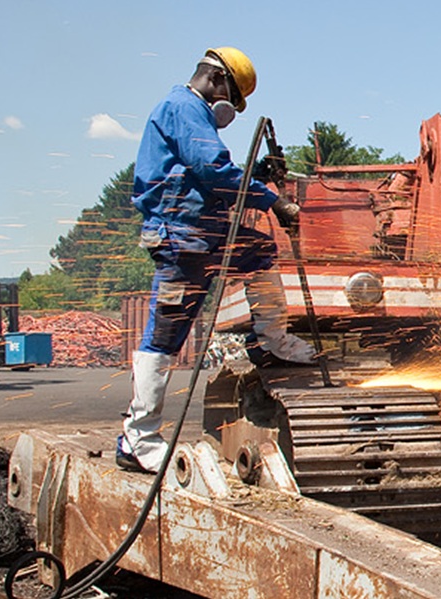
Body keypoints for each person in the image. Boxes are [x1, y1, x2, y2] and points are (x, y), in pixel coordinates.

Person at [120, 47, 315, 473]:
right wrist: (272, 200)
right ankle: (138, 438)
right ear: (219, 80)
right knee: (167, 336)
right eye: (236, 98)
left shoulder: (191, 114)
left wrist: (259, 173)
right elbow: (213, 171)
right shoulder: (184, 107)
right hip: (181, 237)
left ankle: (272, 342)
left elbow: (209, 174)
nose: (235, 109)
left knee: (260, 251)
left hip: (204, 232)